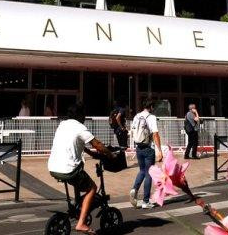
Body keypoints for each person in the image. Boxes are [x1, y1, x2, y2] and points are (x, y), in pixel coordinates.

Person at [48, 102, 113, 234]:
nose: (84, 117)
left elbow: (76, 143)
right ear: (79, 115)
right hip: (69, 169)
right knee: (92, 188)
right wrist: (111, 154)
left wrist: (90, 153)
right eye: (83, 115)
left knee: (79, 177)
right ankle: (81, 223)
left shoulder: (62, 124)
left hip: (53, 167)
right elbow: (97, 144)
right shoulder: (80, 127)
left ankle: (78, 204)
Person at [129, 99, 162, 209]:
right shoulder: (151, 117)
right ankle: (145, 201)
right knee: (149, 174)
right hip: (148, 148)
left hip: (139, 147)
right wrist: (159, 150)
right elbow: (155, 134)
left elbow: (132, 131)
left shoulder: (137, 116)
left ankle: (134, 189)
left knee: (142, 170)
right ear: (151, 107)